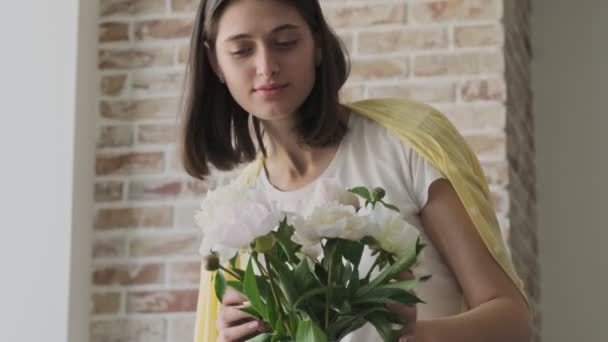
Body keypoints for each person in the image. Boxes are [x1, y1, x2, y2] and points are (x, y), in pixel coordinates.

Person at [180, 0, 532, 341]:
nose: (267, 66)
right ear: (214, 62)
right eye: (242, 51)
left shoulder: (404, 146)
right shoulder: (237, 215)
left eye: (285, 42)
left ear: (317, 43)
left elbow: (512, 321)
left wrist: (416, 336)